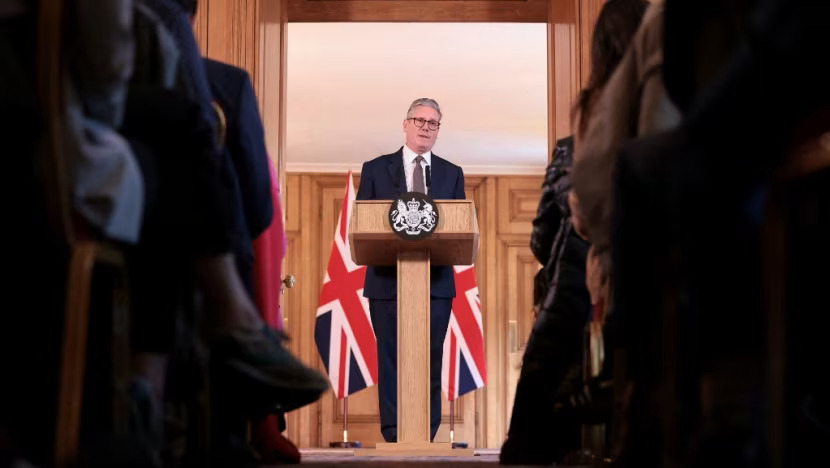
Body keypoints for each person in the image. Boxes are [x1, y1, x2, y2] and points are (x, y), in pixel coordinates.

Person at [356, 98, 465, 442]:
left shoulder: (452, 173)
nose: (425, 128)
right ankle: (392, 431)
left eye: (433, 123)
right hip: (387, 283)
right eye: (419, 120)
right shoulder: (375, 169)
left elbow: (459, 225)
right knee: (390, 357)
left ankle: (426, 432)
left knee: (430, 358)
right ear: (405, 124)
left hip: (436, 285)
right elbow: (363, 221)